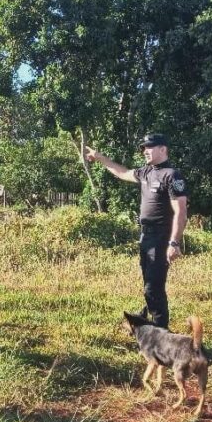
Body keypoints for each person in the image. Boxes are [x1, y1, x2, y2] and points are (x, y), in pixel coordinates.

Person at [84, 133, 187, 329]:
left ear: (163, 149)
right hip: (145, 236)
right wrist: (100, 157)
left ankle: (161, 335)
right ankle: (155, 331)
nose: (145, 151)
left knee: (153, 289)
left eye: (149, 147)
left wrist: (174, 242)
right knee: (149, 285)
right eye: (144, 148)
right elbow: (122, 173)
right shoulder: (146, 172)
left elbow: (181, 212)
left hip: (161, 237)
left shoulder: (172, 175)